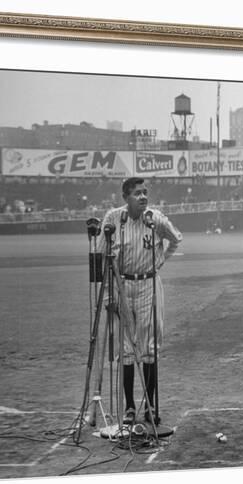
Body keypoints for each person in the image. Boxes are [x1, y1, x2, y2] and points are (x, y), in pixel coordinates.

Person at [97, 177, 182, 426]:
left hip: (148, 285)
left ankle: (150, 405)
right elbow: (103, 256)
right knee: (125, 349)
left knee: (149, 347)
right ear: (125, 198)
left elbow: (176, 239)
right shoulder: (113, 218)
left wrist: (161, 261)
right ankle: (130, 407)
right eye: (137, 193)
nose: (143, 197)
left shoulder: (155, 219)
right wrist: (110, 294)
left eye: (145, 193)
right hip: (121, 284)